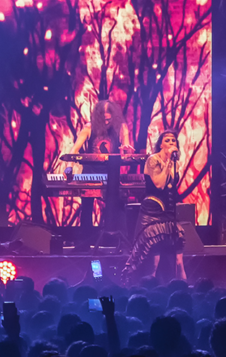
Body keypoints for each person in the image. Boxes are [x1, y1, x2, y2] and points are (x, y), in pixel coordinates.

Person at [121, 129, 186, 281]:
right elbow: (159, 184)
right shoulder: (152, 159)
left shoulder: (175, 163)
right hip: (153, 213)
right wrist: (169, 161)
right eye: (167, 140)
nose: (171, 143)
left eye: (173, 140)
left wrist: (172, 163)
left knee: (179, 261)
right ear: (161, 144)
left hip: (169, 213)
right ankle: (146, 288)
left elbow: (172, 187)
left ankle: (183, 293)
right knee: (153, 261)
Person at [64, 99, 133, 238]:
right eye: (104, 118)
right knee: (87, 206)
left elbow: (127, 154)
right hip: (90, 173)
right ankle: (85, 241)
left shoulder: (121, 127)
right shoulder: (89, 128)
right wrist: (69, 166)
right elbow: (74, 149)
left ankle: (116, 239)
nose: (106, 121)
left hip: (111, 174)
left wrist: (127, 151)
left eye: (109, 118)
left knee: (116, 205)